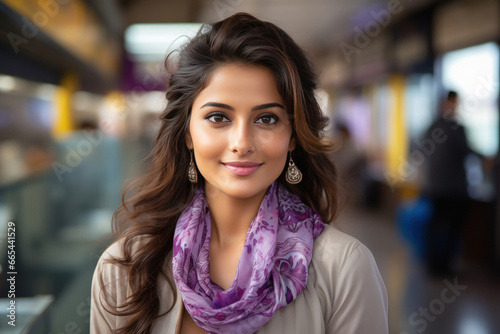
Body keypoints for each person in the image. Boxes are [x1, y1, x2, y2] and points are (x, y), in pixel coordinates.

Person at [90, 13, 388, 334]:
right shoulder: (124, 269)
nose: (241, 143)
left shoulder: (344, 269)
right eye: (218, 117)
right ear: (188, 134)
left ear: (293, 137)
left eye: (267, 119)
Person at [421, 90, 472, 276]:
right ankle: (443, 265)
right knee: (450, 228)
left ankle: (434, 264)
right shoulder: (455, 128)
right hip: (452, 188)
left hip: (435, 187)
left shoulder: (433, 126)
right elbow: (467, 150)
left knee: (436, 225)